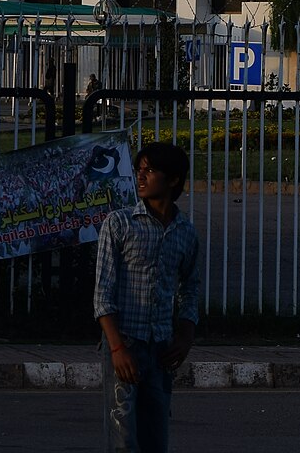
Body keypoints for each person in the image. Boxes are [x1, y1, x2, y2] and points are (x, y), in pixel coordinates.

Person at [93, 142, 200, 453]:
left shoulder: (185, 232)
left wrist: (185, 336)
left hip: (162, 348)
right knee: (124, 438)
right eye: (139, 170)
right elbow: (103, 292)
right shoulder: (120, 223)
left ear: (174, 180)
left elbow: (190, 287)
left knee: (156, 436)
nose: (140, 177)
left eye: (150, 171)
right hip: (125, 343)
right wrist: (116, 347)